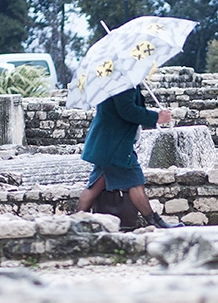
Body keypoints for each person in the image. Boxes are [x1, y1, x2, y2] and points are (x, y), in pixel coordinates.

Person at [76, 84, 182, 229]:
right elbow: (127, 110)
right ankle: (155, 222)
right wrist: (156, 117)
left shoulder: (119, 80)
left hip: (110, 142)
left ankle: (76, 221)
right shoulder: (122, 83)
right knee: (135, 181)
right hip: (115, 145)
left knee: (97, 184)